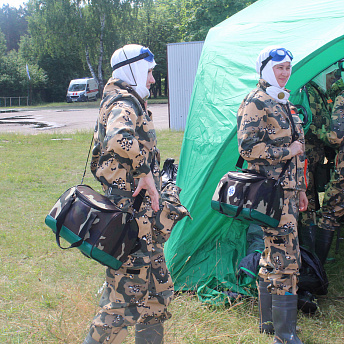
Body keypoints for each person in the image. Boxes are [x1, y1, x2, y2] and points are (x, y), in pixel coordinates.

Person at [82, 44, 174, 344]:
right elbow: (118, 137)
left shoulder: (127, 100)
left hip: (143, 217)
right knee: (123, 299)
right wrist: (145, 172)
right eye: (149, 73)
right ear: (132, 70)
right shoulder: (124, 102)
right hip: (131, 217)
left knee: (156, 293)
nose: (151, 80)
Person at [237, 46, 308, 344]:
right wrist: (285, 151)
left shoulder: (282, 100)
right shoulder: (258, 101)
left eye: (288, 67)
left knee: (273, 254)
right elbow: (246, 148)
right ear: (266, 68)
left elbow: (299, 151)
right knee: (286, 260)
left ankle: (270, 324)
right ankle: (284, 335)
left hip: (289, 191)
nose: (285, 72)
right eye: (279, 67)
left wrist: (302, 189)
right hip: (271, 194)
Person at [298, 64, 342, 263]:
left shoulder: (321, 92)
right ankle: (311, 256)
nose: (332, 78)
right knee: (308, 200)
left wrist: (318, 131)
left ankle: (315, 264)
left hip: (314, 155)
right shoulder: (308, 91)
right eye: (331, 74)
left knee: (327, 208)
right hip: (307, 156)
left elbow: (335, 137)